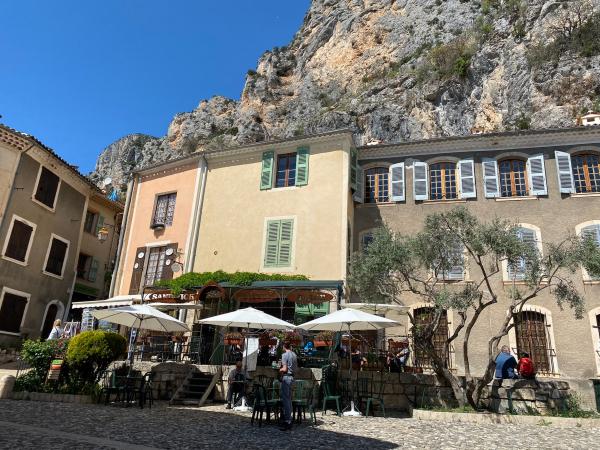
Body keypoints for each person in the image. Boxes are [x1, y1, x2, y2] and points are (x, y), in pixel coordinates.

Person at [279, 340, 298, 431]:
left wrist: (280, 370)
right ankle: (289, 419)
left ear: (283, 347)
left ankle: (287, 421)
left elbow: (285, 368)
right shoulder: (294, 355)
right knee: (289, 399)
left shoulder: (284, 355)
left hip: (286, 378)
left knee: (286, 400)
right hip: (292, 378)